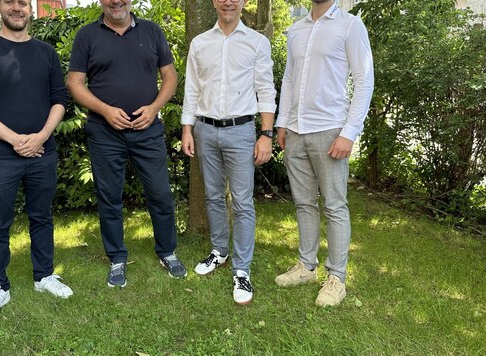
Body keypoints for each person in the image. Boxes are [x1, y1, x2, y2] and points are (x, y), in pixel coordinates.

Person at [0, 0, 73, 322]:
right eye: (10, 1)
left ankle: (44, 276)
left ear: (30, 9)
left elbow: (60, 100)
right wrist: (15, 140)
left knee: (42, 218)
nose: (17, 8)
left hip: (42, 153)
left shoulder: (46, 53)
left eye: (23, 2)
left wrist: (40, 137)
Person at [66, 0, 186, 288]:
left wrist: (155, 107)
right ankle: (117, 258)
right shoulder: (87, 35)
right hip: (105, 132)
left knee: (159, 193)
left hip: (148, 130)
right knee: (109, 198)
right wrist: (105, 110)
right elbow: (74, 82)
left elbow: (170, 76)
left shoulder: (152, 31)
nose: (116, 1)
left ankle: (167, 252)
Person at [274, 0, 374, 307]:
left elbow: (364, 80)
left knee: (334, 205)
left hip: (331, 130)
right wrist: (282, 122)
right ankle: (306, 266)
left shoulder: (350, 25)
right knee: (304, 203)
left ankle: (337, 278)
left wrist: (349, 132)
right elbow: (289, 79)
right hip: (295, 131)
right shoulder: (296, 30)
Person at [181, 0, 277, 305]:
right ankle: (219, 251)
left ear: (244, 2)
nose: (228, 2)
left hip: (241, 131)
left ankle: (242, 270)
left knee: (243, 202)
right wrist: (187, 128)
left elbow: (266, 90)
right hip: (205, 130)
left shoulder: (257, 42)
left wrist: (266, 135)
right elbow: (192, 89)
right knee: (212, 195)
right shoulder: (200, 43)